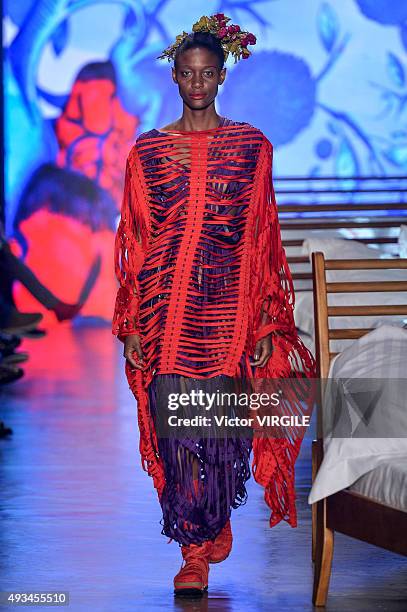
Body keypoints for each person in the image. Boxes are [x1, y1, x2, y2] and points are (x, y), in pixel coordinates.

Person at [112, 13, 315, 598]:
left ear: (221, 74)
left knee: (222, 436)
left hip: (227, 313)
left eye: (207, 73)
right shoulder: (147, 153)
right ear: (174, 77)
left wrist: (267, 318)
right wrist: (129, 322)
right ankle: (193, 552)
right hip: (164, 311)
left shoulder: (251, 147)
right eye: (188, 73)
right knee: (178, 433)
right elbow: (138, 239)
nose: (197, 83)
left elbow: (262, 237)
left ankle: (212, 521)